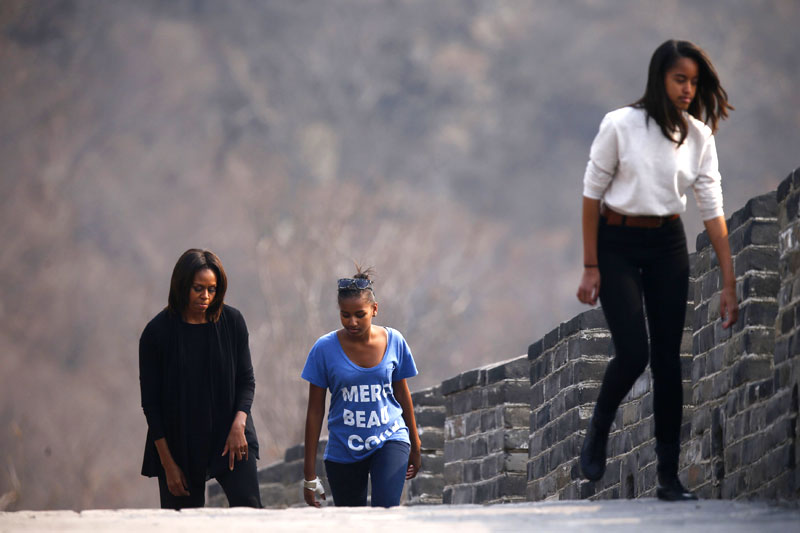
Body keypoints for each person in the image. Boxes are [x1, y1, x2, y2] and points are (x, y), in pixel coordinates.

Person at [576, 40, 738, 501]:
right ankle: (599, 428)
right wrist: (590, 266)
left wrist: (729, 283)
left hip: (667, 242)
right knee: (633, 352)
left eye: (694, 81)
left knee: (669, 362)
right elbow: (591, 196)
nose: (688, 89)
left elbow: (713, 212)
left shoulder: (699, 136)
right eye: (679, 79)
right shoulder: (620, 125)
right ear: (659, 78)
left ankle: (669, 477)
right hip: (616, 243)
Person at [139, 249, 262, 509]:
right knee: (183, 523)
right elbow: (151, 406)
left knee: (250, 510)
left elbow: (246, 380)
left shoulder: (233, 322)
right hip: (179, 443)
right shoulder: (156, 334)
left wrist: (239, 423)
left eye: (212, 289)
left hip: (232, 435)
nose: (205, 296)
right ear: (182, 286)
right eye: (198, 288)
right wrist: (168, 465)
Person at [301, 267, 421, 507]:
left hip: (390, 437)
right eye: (345, 315)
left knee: (385, 512)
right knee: (351, 522)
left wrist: (415, 443)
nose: (352, 322)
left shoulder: (394, 341)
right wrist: (308, 474)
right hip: (343, 448)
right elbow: (315, 411)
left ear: (374, 310)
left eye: (359, 314)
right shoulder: (324, 349)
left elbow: (402, 394)